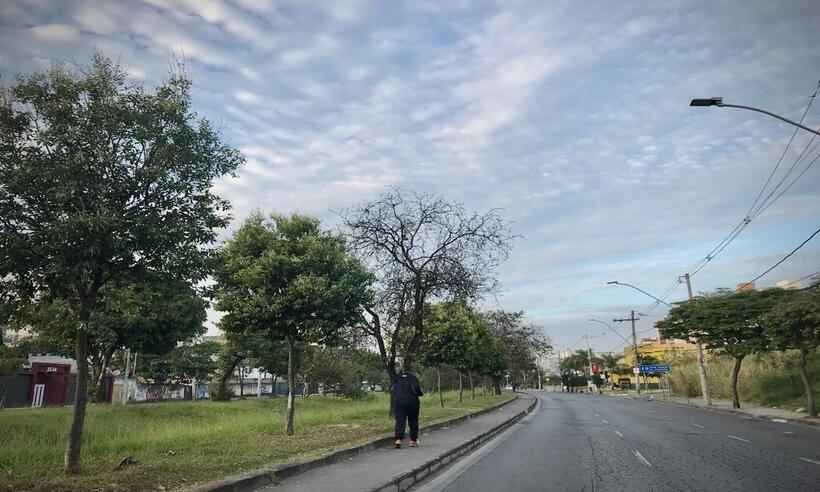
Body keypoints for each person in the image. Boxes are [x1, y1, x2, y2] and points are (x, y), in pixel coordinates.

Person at [392, 368, 423, 448]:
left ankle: (398, 440)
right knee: (413, 421)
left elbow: (393, 389)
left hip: (399, 402)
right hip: (412, 402)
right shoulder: (413, 378)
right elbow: (416, 388)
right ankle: (412, 441)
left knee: (400, 421)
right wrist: (420, 394)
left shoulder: (396, 378)